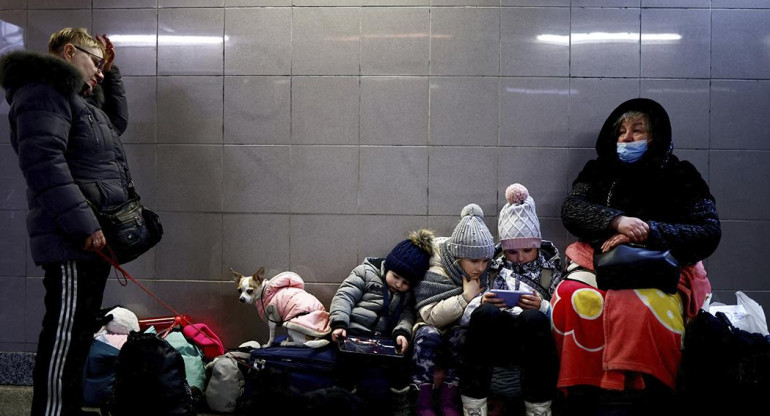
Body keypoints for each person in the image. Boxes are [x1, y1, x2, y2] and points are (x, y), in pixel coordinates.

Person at [553, 98, 720, 415]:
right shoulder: (597, 170)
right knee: (569, 296)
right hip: (599, 260)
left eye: (637, 130)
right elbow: (571, 209)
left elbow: (708, 230)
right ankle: (579, 393)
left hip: (660, 266)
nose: (627, 138)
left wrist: (648, 232)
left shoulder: (681, 174)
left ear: (655, 136)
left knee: (639, 309)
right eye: (622, 132)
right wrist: (616, 222)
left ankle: (630, 396)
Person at [0, 27, 136, 416]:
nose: (99, 73)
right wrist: (84, 225)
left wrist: (111, 71)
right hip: (70, 239)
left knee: (77, 337)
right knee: (65, 336)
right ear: (69, 52)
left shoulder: (76, 100)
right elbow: (43, 164)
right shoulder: (44, 92)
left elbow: (115, 126)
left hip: (88, 236)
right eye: (94, 63)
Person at [460, 183, 562, 416]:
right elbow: (466, 316)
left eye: (528, 250)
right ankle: (474, 407)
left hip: (533, 342)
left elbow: (562, 321)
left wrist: (543, 307)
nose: (521, 258)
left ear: (537, 244)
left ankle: (539, 409)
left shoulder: (551, 271)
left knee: (533, 317)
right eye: (512, 252)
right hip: (494, 339)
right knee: (485, 313)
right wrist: (482, 301)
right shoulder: (490, 267)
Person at [330, 228, 435, 416]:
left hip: (384, 341)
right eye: (396, 277)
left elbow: (407, 315)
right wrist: (339, 324)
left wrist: (402, 333)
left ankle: (400, 404)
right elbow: (344, 297)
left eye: (406, 283)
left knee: (401, 367)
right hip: (354, 333)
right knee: (347, 365)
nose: (399, 284)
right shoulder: (365, 272)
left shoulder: (406, 295)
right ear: (388, 265)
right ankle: (346, 401)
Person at [411, 204, 496, 416]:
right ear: (458, 257)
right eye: (474, 260)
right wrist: (466, 297)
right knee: (426, 336)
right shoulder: (437, 270)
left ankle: (450, 400)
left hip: (458, 329)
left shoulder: (484, 276)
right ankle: (422, 402)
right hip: (432, 327)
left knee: (461, 336)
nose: (481, 268)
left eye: (486, 260)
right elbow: (430, 316)